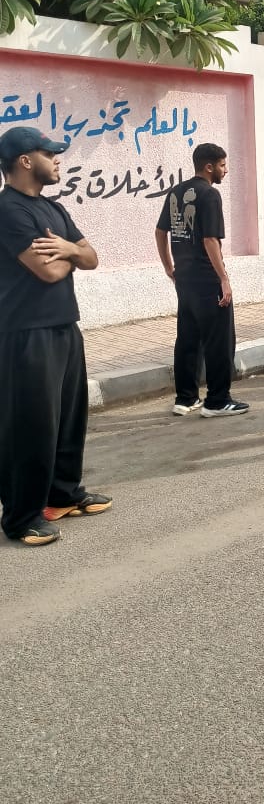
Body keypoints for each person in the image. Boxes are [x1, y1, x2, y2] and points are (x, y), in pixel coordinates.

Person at [0, 126, 110, 547]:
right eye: (50, 153)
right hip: (26, 333)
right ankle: (22, 516)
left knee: (68, 419)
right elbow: (46, 271)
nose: (58, 159)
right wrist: (70, 254)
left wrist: (69, 250)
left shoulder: (53, 208)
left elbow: (92, 257)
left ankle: (62, 495)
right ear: (26, 160)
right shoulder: (9, 210)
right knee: (31, 427)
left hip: (64, 326)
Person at [156, 143, 249, 416]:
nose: (225, 170)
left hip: (184, 278)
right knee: (219, 341)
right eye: (222, 165)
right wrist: (224, 279)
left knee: (188, 338)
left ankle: (185, 398)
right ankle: (217, 401)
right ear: (209, 166)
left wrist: (169, 267)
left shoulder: (176, 191)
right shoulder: (210, 195)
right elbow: (210, 240)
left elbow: (160, 232)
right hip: (208, 279)